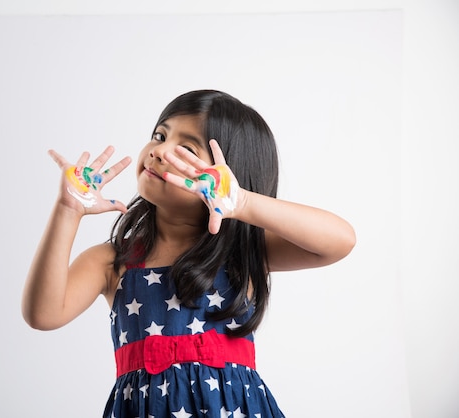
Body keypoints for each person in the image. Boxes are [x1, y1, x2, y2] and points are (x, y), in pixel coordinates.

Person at [22, 90, 356, 417]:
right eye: (159, 135)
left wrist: (241, 202)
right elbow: (44, 315)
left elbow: (340, 241)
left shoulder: (243, 253)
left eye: (185, 148)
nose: (159, 150)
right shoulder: (112, 261)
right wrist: (68, 211)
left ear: (227, 173)